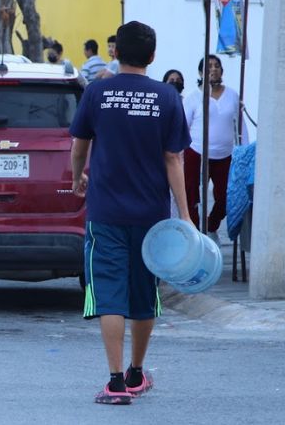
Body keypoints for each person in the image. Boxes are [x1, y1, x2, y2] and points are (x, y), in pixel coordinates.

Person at [69, 21, 192, 406]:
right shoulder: (168, 98)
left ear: (115, 52)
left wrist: (78, 178)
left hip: (105, 213)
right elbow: (173, 158)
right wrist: (185, 214)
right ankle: (137, 372)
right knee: (143, 293)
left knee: (109, 293)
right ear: (152, 57)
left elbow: (79, 146)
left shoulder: (96, 92)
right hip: (150, 216)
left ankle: (115, 381)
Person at [183, 55, 247, 244]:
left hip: (225, 154)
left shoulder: (233, 95)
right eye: (209, 66)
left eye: (217, 66)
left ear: (222, 71)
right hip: (196, 152)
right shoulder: (193, 98)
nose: (213, 69)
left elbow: (241, 125)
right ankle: (195, 235)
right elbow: (183, 126)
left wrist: (244, 150)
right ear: (201, 72)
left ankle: (211, 226)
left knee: (226, 196)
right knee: (191, 194)